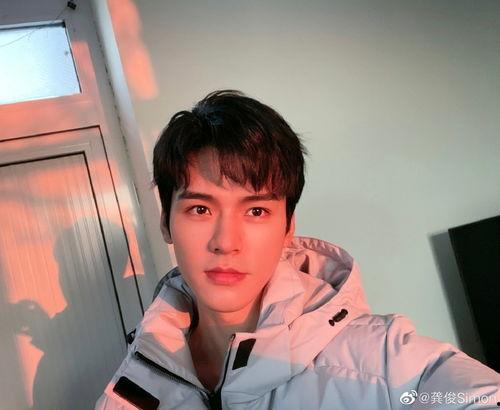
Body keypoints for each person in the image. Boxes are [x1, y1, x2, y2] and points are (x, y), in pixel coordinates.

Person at [96, 90, 499, 409]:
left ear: (289, 228)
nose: (226, 242)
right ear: (166, 222)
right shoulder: (129, 389)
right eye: (200, 209)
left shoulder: (381, 359)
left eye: (256, 211)